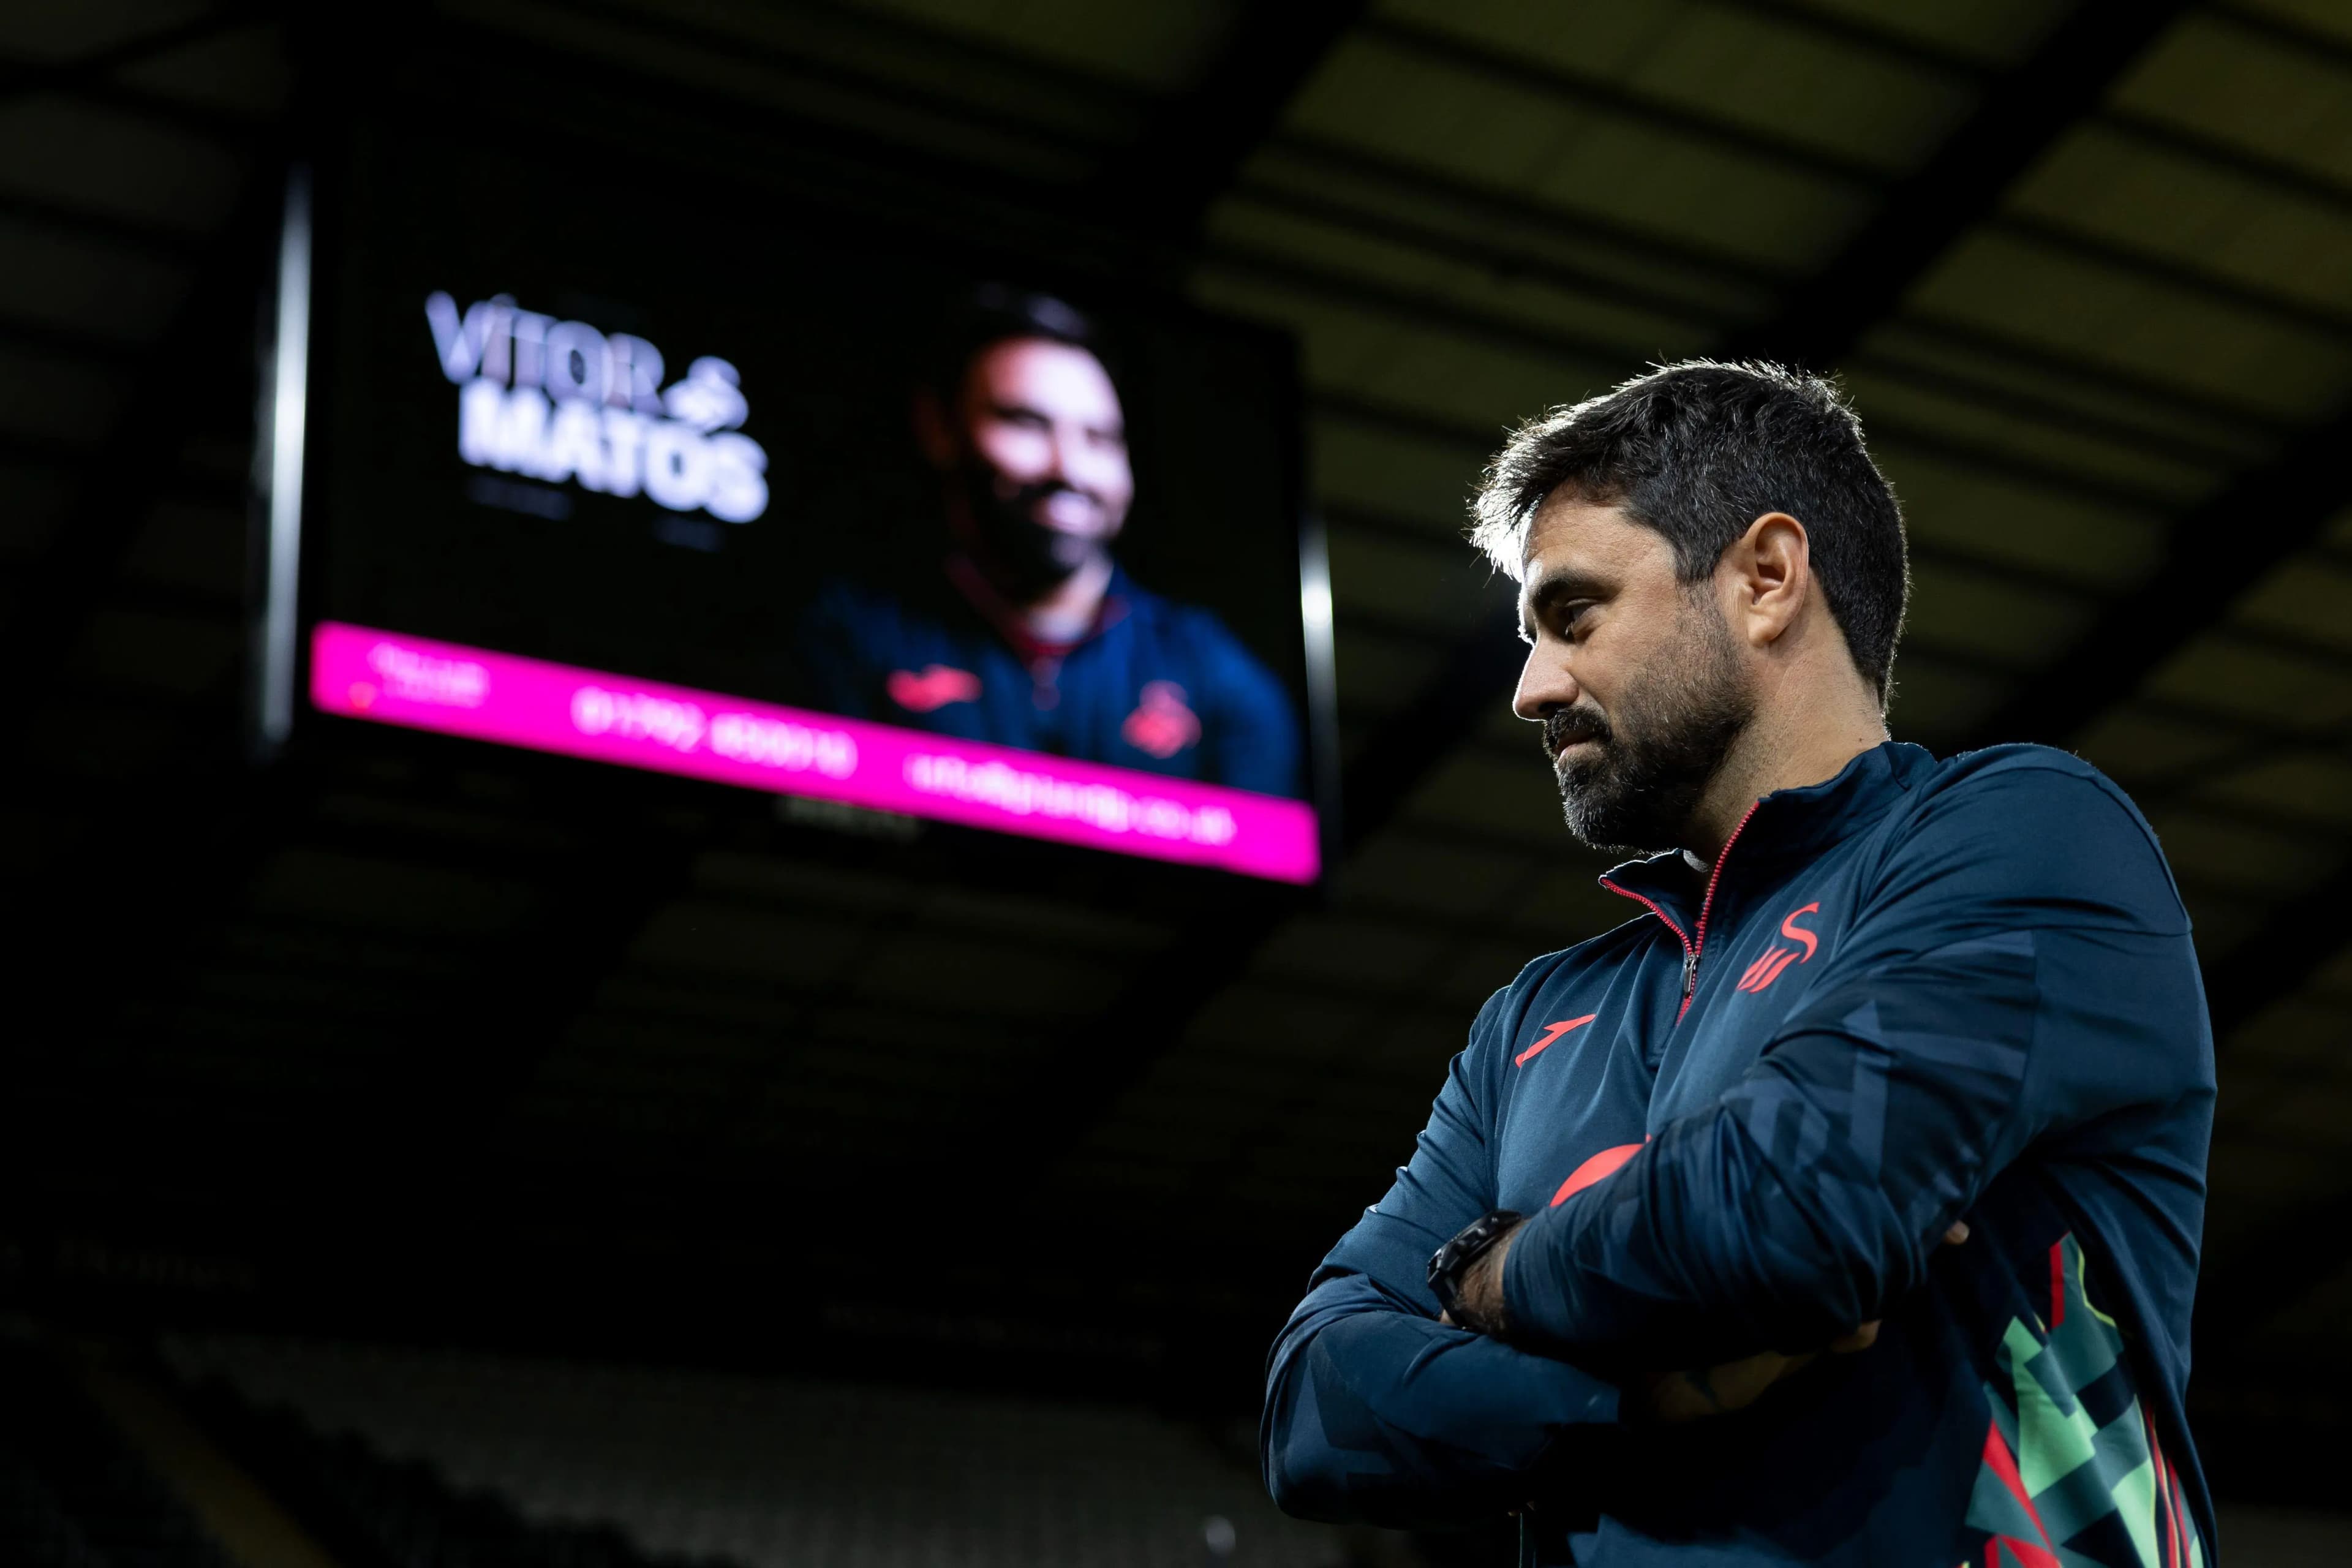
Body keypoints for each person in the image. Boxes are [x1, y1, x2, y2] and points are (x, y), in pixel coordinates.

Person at [1262, 362, 2215, 1567]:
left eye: (1575, 615)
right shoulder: (1538, 1016)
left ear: (1766, 579)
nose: (1531, 687)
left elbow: (1799, 1211)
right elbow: (1314, 1402)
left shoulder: (2025, 835)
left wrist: (1494, 1277)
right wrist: (1638, 1403)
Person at [798, 286, 1302, 797]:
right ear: (939, 429)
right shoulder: (849, 632)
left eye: (1100, 439)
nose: (1071, 469)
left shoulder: (1217, 673)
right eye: (1027, 424)